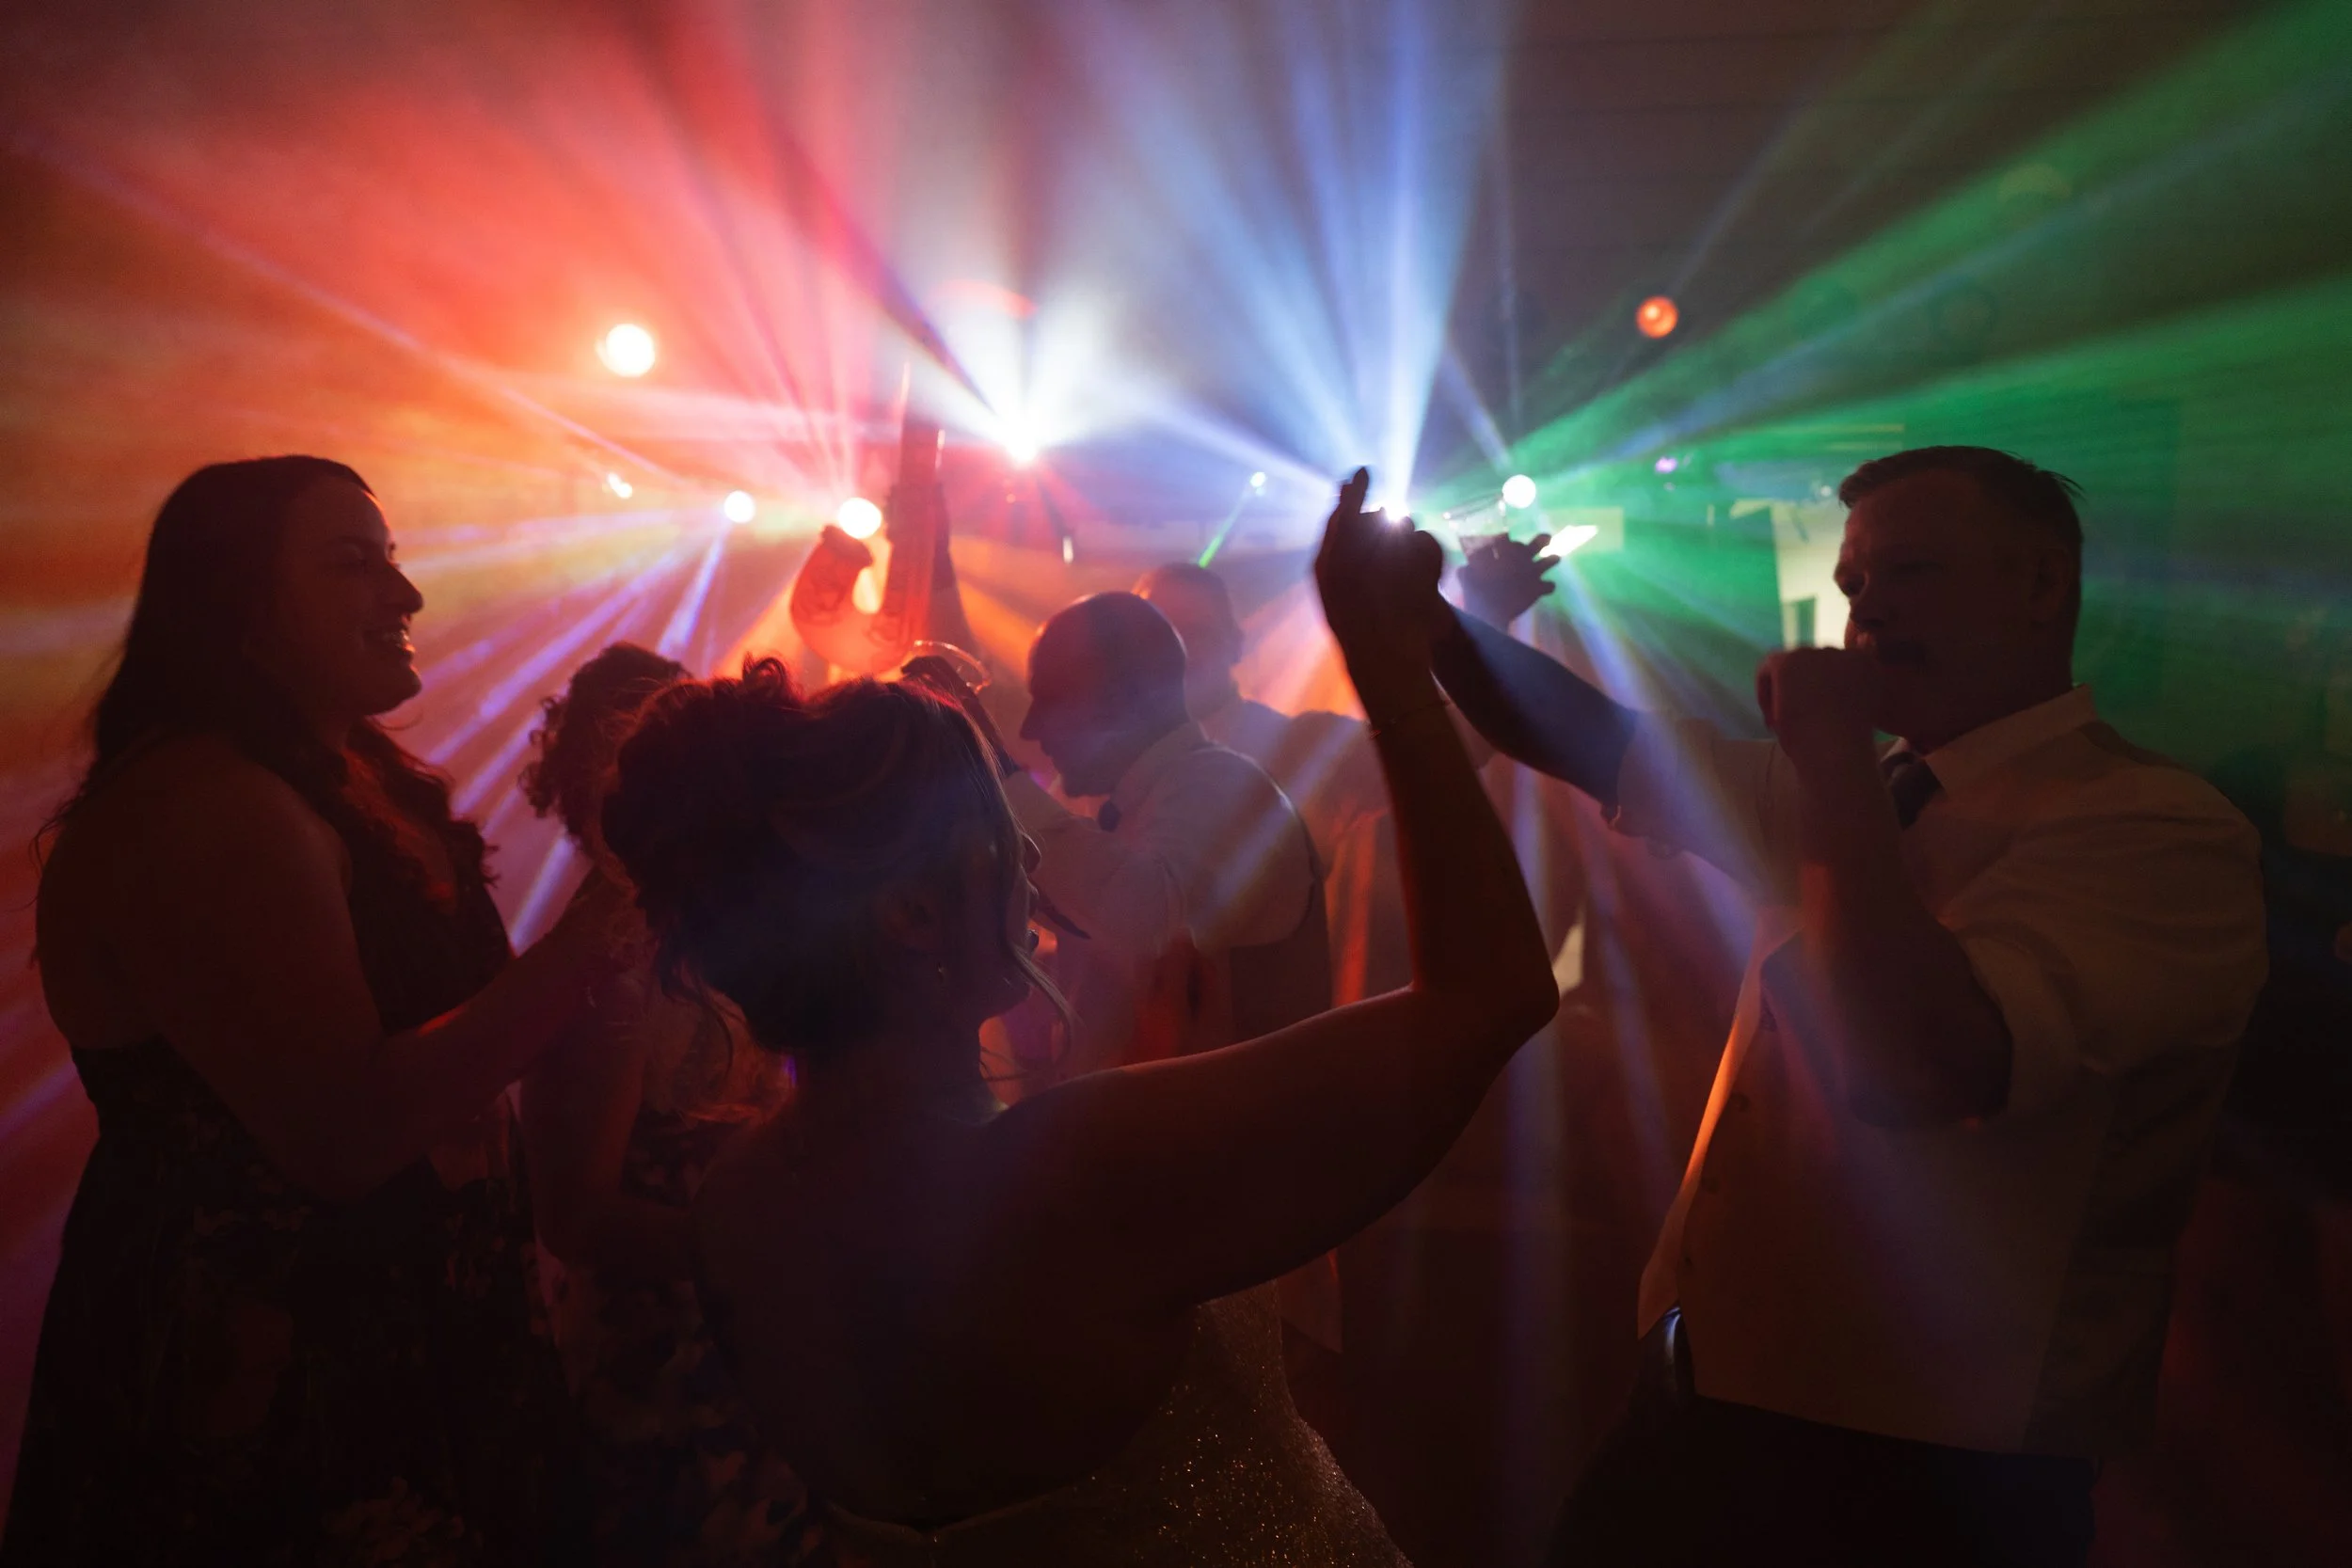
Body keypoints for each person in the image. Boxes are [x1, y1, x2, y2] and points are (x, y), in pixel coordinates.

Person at [598, 469, 1559, 1562]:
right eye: (996, 838)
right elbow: (1493, 994)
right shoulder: (1068, 1169)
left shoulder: (737, 1200)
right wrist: (1392, 671)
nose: (1024, 859)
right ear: (914, 914)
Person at [1432, 447, 2267, 1566]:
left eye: (1907, 571)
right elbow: (1594, 740)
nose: (1865, 610)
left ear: (2040, 585)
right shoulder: (1871, 789)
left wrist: (1827, 754)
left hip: (1933, 1471)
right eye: (1854, 585)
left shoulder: (2155, 826)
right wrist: (1436, 624)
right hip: (1707, 1392)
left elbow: (1916, 1066)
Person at [8, 457, 629, 1564]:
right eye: (354, 565)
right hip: (272, 1392)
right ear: (236, 603)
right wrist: (598, 933)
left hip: (395, 1356)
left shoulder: (341, 780)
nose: (406, 598)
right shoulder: (205, 807)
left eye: (391, 562)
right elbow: (343, 1135)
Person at [517, 642, 819, 1568]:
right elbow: (576, 1213)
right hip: (665, 1354)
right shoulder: (602, 950)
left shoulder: (710, 919)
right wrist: (761, 1250)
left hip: (755, 1326)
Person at [1136, 557, 1542, 1003]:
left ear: (1236, 644)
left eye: (1196, 633)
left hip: (1269, 1043)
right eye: (1158, 635)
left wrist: (1486, 620)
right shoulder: (1093, 767)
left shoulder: (1300, 747)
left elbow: (1453, 741)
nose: (1179, 653)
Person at [997, 591, 1330, 1078]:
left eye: (1049, 697)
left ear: (1124, 696)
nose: (1030, 728)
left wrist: (1003, 783)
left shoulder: (1219, 781)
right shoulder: (1150, 800)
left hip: (1234, 1146)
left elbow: (1154, 926)